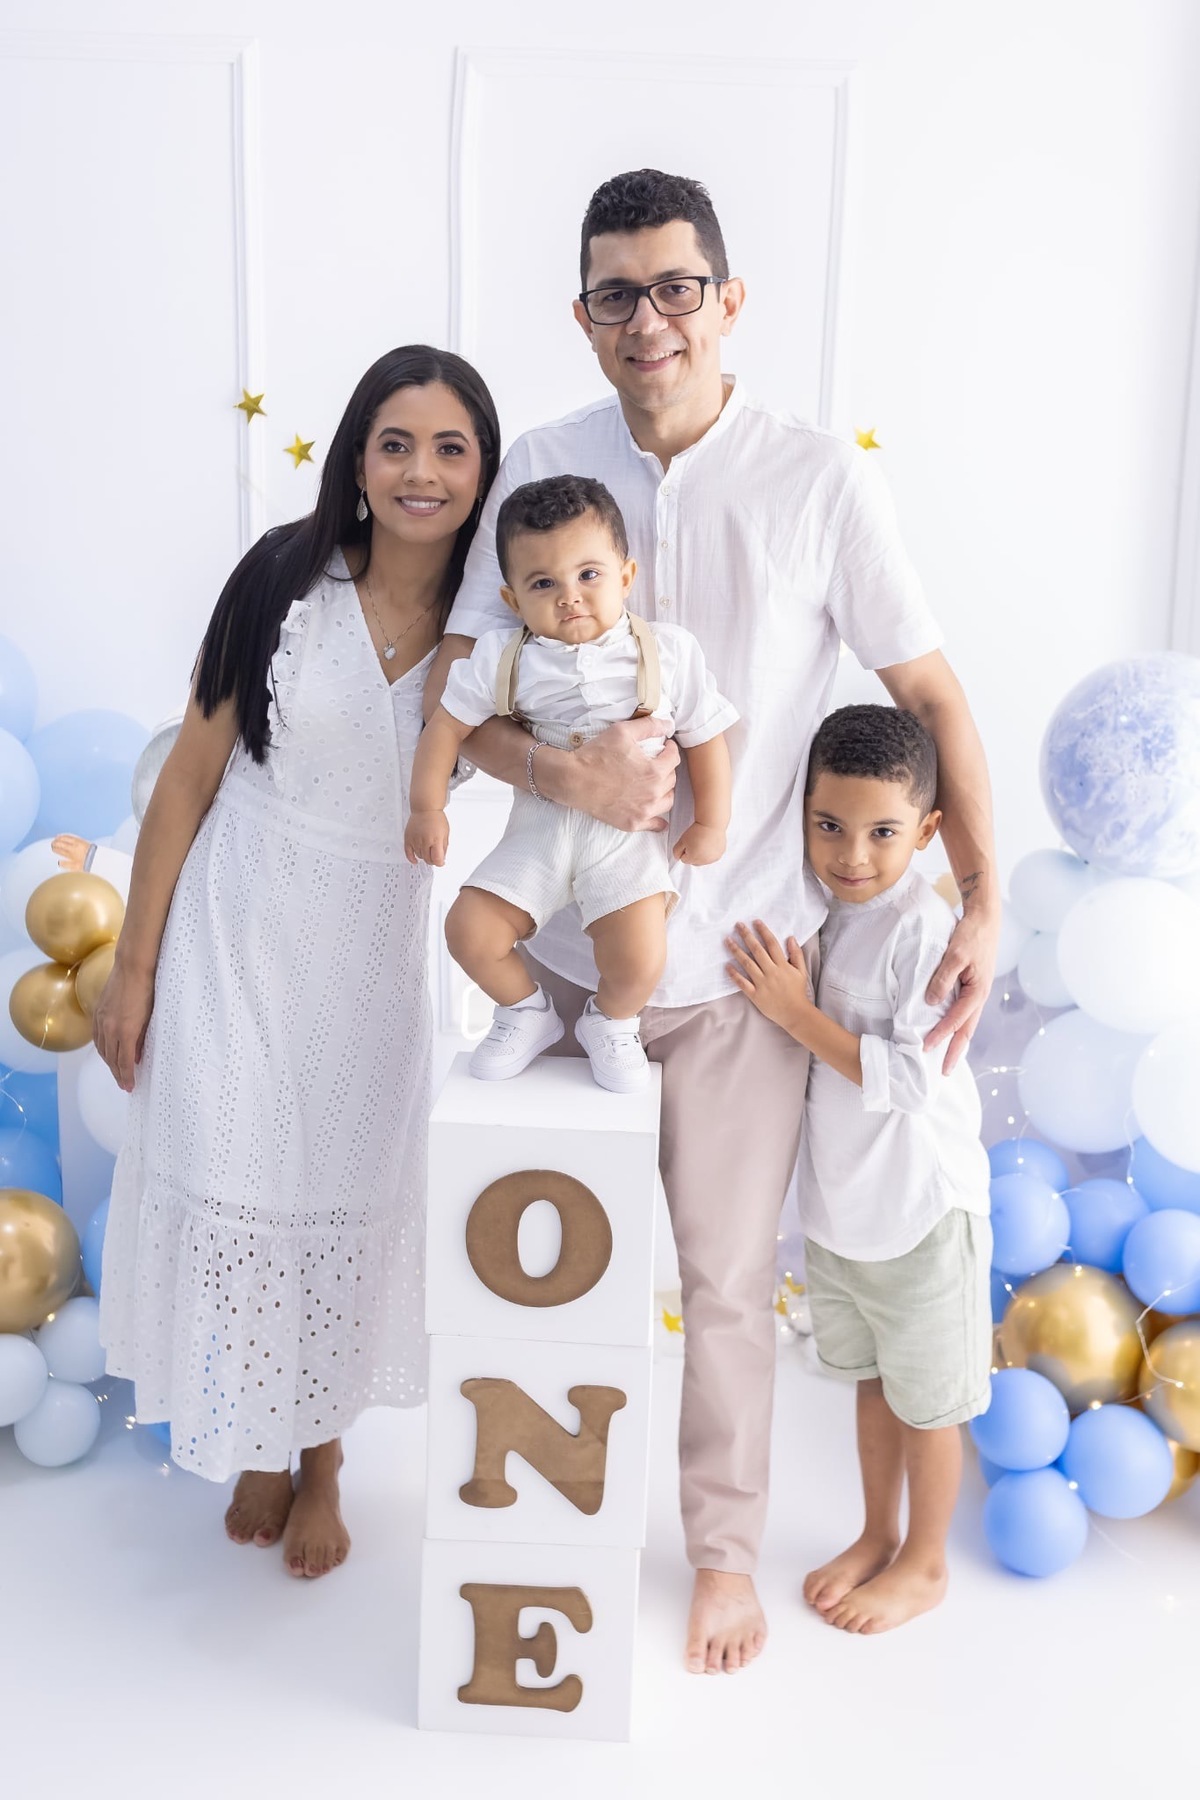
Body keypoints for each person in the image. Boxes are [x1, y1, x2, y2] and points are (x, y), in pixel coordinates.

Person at [425, 169, 999, 1674]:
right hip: (563, 973)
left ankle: (724, 1553)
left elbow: (929, 696)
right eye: (617, 291)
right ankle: (529, 1546)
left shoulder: (819, 479)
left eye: (678, 286)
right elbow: (466, 707)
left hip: (747, 973)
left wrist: (988, 894)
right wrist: (562, 769)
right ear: (584, 317)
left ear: (729, 302)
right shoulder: (538, 467)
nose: (651, 317)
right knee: (545, 1285)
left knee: (733, 1287)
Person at [93, 345, 500, 1578]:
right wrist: (132, 966)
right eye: (395, 443)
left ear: (484, 470)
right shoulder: (284, 577)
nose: (420, 472)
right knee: (236, 1173)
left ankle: (320, 1453)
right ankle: (262, 1431)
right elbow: (187, 781)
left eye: (450, 448)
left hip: (375, 954)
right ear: (356, 459)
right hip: (241, 930)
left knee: (343, 1197)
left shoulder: (499, 621)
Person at [726, 705, 992, 1634]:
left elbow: (913, 1079)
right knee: (874, 1385)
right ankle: (878, 1532)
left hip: (921, 1214)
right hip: (844, 1213)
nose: (852, 854)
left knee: (929, 1404)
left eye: (883, 833)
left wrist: (797, 1016)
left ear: (925, 832)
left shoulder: (924, 931)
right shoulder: (825, 909)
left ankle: (926, 1562)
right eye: (829, 826)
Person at [405, 473, 735, 1092]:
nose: (570, 598)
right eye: (543, 584)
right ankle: (524, 1011)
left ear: (626, 577)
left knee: (640, 958)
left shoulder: (665, 653)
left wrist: (712, 822)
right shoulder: (502, 657)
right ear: (511, 600)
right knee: (467, 930)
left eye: (589, 575)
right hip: (540, 828)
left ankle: (611, 1022)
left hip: (623, 840)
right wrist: (427, 807)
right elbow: (444, 725)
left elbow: (706, 735)